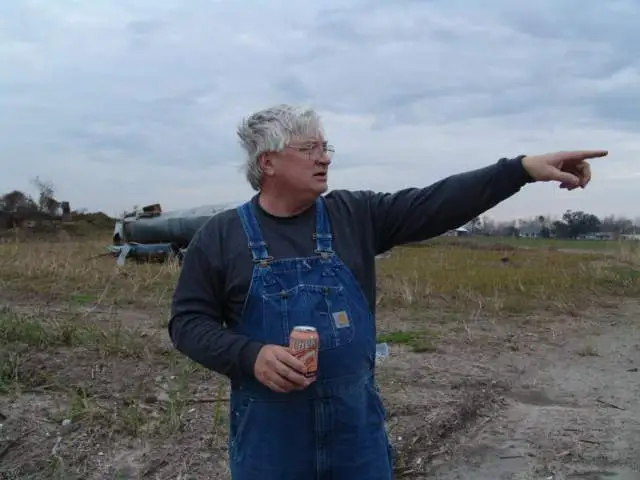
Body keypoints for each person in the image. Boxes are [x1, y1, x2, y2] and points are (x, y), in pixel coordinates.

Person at [168, 103, 606, 479]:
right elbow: (187, 324)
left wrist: (521, 170)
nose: (325, 159)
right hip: (270, 441)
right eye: (310, 149)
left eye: (326, 148)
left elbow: (437, 202)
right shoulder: (221, 237)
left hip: (355, 435)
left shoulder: (355, 215)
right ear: (268, 162)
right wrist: (250, 356)